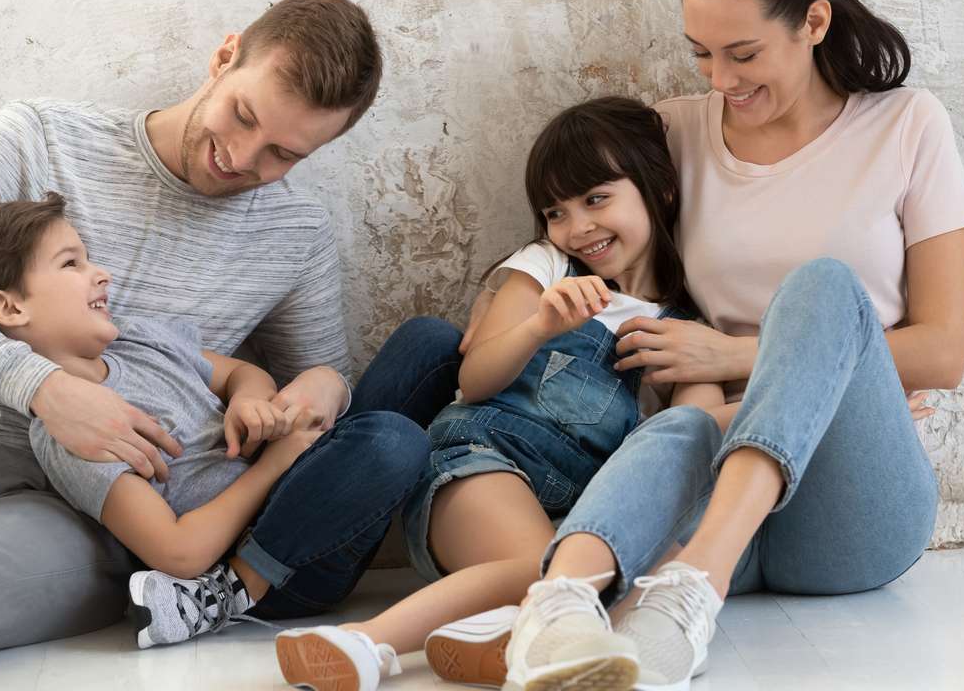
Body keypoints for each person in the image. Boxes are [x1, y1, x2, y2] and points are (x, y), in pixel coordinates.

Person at [436, 0, 964, 690]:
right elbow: (590, 229)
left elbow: (943, 350)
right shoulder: (678, 134)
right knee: (681, 428)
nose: (721, 79)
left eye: (744, 54)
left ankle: (694, 591)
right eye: (701, 54)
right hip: (717, 483)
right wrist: (510, 297)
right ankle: (556, 611)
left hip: (852, 506)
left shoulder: (907, 125)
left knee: (825, 291)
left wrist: (735, 352)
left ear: (815, 23)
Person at [0, 0, 461, 661]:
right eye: (242, 116)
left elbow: (314, 405)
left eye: (283, 154)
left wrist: (314, 389)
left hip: (81, 511)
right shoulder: (40, 137)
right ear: (224, 57)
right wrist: (46, 390)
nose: (241, 158)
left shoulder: (296, 233)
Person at [271, 97, 709, 691]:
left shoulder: (682, 327)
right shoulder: (548, 268)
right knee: (558, 580)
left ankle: (500, 636)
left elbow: (689, 440)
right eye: (557, 211)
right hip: (477, 460)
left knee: (594, 577)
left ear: (659, 189)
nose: (577, 227)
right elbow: (474, 379)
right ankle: (366, 642)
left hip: (568, 509)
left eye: (596, 199)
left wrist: (680, 384)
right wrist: (539, 328)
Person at [0, 193, 398, 647]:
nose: (102, 274)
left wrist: (249, 399)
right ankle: (226, 594)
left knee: (425, 344)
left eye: (88, 259)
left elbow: (240, 373)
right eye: (71, 264)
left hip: (312, 482)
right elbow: (178, 554)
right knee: (388, 439)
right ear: (9, 307)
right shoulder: (69, 433)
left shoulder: (140, 339)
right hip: (281, 565)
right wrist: (277, 463)